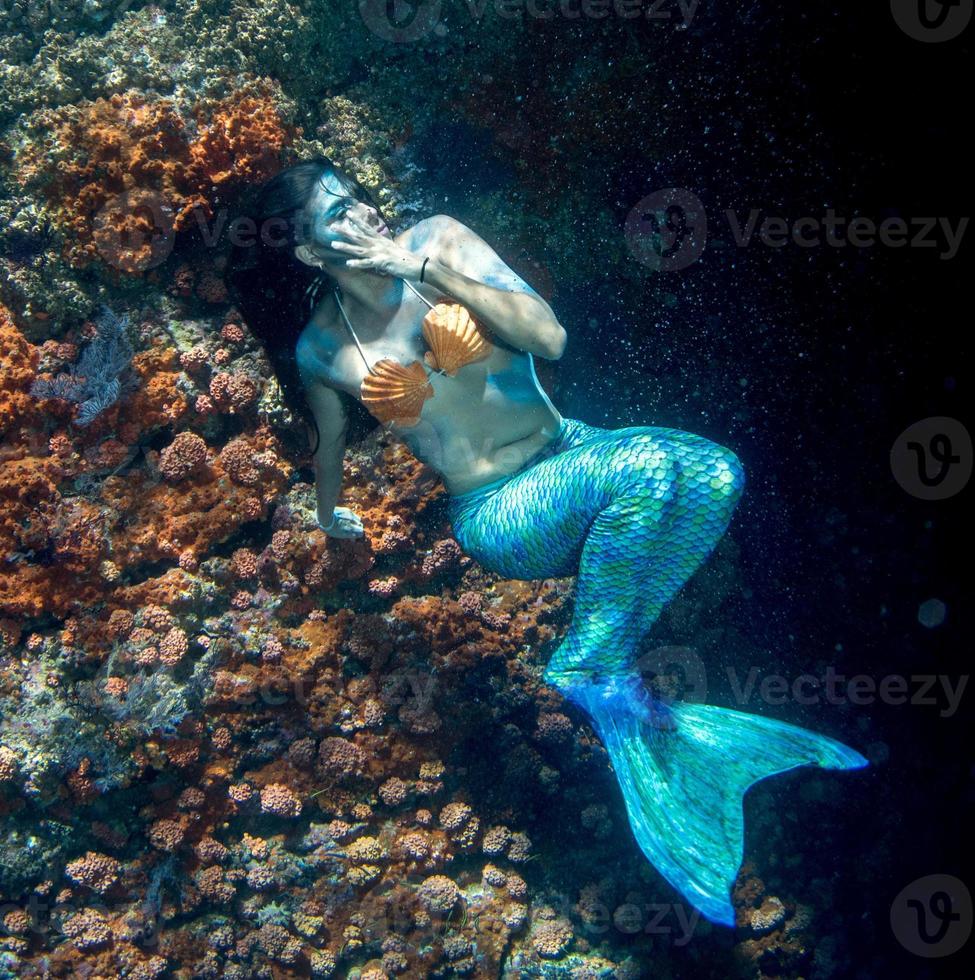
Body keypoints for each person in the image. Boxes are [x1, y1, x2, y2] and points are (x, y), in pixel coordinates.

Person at [233, 159, 867, 925]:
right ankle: (591, 662)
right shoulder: (317, 348)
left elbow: (550, 338)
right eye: (334, 215)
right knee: (645, 468)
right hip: (498, 512)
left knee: (715, 473)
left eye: (356, 198)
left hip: (568, 449)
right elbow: (327, 442)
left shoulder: (435, 239)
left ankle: (621, 678)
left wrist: (420, 268)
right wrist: (330, 511)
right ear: (306, 251)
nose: (360, 215)